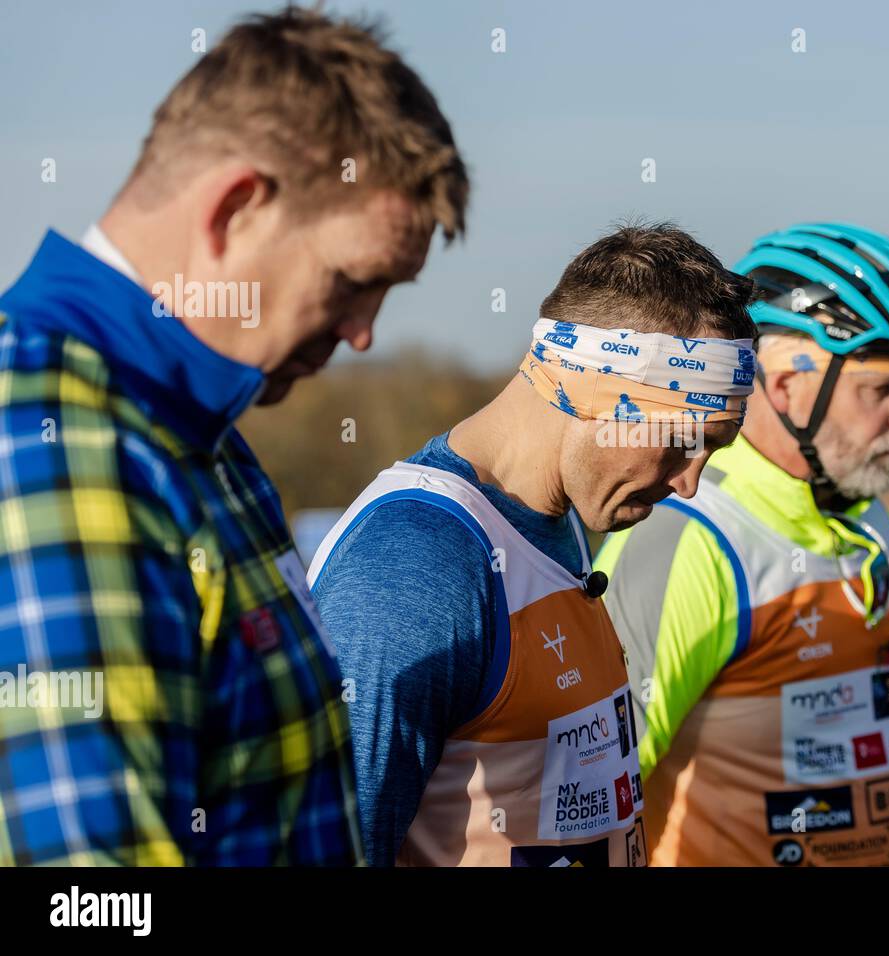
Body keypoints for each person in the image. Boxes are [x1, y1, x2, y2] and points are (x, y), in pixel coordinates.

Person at [0, 8, 468, 866]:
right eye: (353, 282)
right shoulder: (58, 442)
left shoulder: (204, 436)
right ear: (238, 208)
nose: (363, 334)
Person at [308, 222, 756, 866]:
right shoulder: (414, 559)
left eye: (712, 451)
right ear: (597, 389)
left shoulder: (564, 518)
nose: (689, 483)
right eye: (686, 439)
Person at [594, 223, 889, 866]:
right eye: (884, 388)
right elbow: (588, 802)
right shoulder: (687, 535)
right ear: (786, 387)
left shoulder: (867, 517)